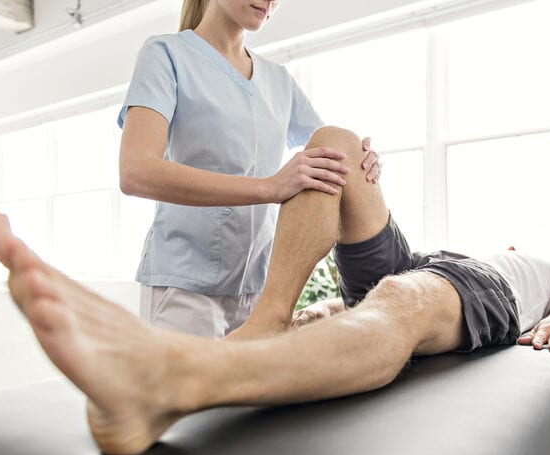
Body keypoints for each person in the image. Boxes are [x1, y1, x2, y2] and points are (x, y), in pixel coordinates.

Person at [0, 126, 550, 455]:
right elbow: (401, 276)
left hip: (470, 287)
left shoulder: (532, 268)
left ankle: (171, 380)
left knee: (401, 301)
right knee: (333, 145)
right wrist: (331, 307)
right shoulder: (467, 254)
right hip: (425, 260)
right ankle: (269, 317)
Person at [118, 0, 382, 338]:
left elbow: (330, 153)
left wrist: (360, 161)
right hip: (184, 289)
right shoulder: (166, 54)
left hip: (258, 294)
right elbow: (136, 171)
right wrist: (270, 187)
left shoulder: (278, 80)